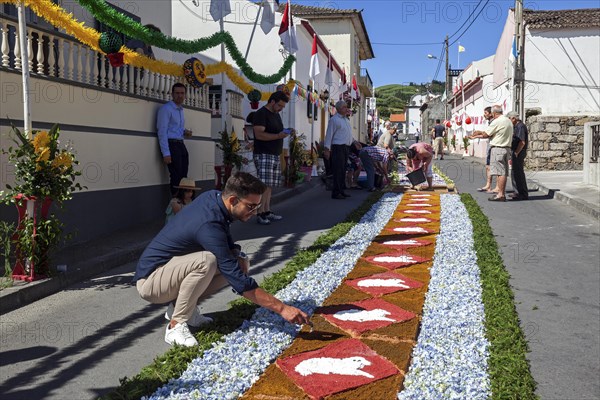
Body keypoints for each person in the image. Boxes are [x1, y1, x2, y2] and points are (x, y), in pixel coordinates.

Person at [133, 172, 310, 346]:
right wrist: (282, 309)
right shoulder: (209, 224)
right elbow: (235, 277)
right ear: (233, 200)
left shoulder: (215, 198)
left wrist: (236, 252)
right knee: (207, 261)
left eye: (257, 206)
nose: (255, 212)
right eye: (251, 206)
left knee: (240, 260)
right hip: (151, 282)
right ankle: (176, 325)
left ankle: (182, 309)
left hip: (170, 271)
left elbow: (224, 236)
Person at [252, 91, 291, 225]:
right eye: (280, 105)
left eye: (283, 107)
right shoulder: (261, 114)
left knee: (269, 185)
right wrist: (278, 136)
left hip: (274, 153)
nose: (281, 109)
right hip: (264, 153)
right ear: (272, 101)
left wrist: (287, 131)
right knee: (263, 185)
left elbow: (276, 130)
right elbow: (259, 135)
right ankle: (259, 213)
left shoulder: (276, 115)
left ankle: (267, 210)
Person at [470, 105, 513, 201]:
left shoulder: (497, 121)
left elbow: (486, 134)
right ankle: (501, 193)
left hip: (498, 148)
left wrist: (477, 134)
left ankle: (501, 194)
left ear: (494, 113)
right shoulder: (508, 120)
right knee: (503, 172)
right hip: (506, 148)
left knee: (500, 172)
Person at [157, 83, 193, 195]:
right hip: (171, 145)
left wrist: (184, 131)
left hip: (181, 144)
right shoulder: (166, 109)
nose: (180, 96)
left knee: (184, 177)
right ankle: (175, 205)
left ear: (185, 95)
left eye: (182, 93)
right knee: (176, 177)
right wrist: (166, 153)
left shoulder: (180, 110)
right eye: (177, 93)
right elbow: (162, 131)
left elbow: (173, 128)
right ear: (172, 94)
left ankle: (182, 204)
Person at [324, 100, 354, 199]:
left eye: (346, 107)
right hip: (338, 147)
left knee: (343, 170)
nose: (347, 109)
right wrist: (327, 149)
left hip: (345, 147)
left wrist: (355, 142)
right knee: (338, 170)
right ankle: (336, 192)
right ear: (339, 109)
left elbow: (347, 134)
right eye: (345, 107)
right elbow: (329, 134)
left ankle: (341, 190)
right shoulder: (334, 120)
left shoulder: (346, 120)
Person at [476, 106, 499, 193]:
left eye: (485, 113)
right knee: (488, 166)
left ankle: (497, 186)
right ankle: (488, 185)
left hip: (494, 146)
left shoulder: (495, 122)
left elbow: (488, 134)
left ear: (490, 114)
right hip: (490, 145)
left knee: (496, 167)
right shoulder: (490, 122)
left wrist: (475, 136)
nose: (484, 115)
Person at [507, 111, 529, 200]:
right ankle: (517, 192)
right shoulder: (515, 126)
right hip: (515, 151)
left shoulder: (520, 126)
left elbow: (522, 142)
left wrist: (516, 152)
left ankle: (523, 194)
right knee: (514, 172)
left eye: (509, 118)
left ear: (513, 118)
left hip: (519, 152)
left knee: (519, 173)